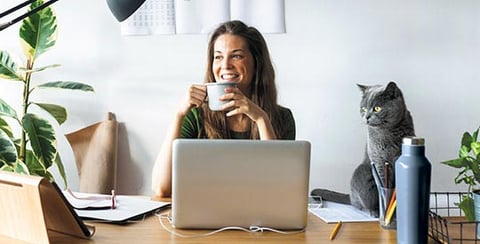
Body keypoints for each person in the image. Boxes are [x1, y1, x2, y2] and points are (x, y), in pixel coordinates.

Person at [151, 20, 296, 198]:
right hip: (205, 217)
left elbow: (278, 188)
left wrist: (261, 119)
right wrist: (179, 114)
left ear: (256, 63)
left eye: (236, 56)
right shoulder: (195, 116)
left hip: (259, 220)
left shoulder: (282, 117)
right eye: (218, 56)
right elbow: (162, 188)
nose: (225, 65)